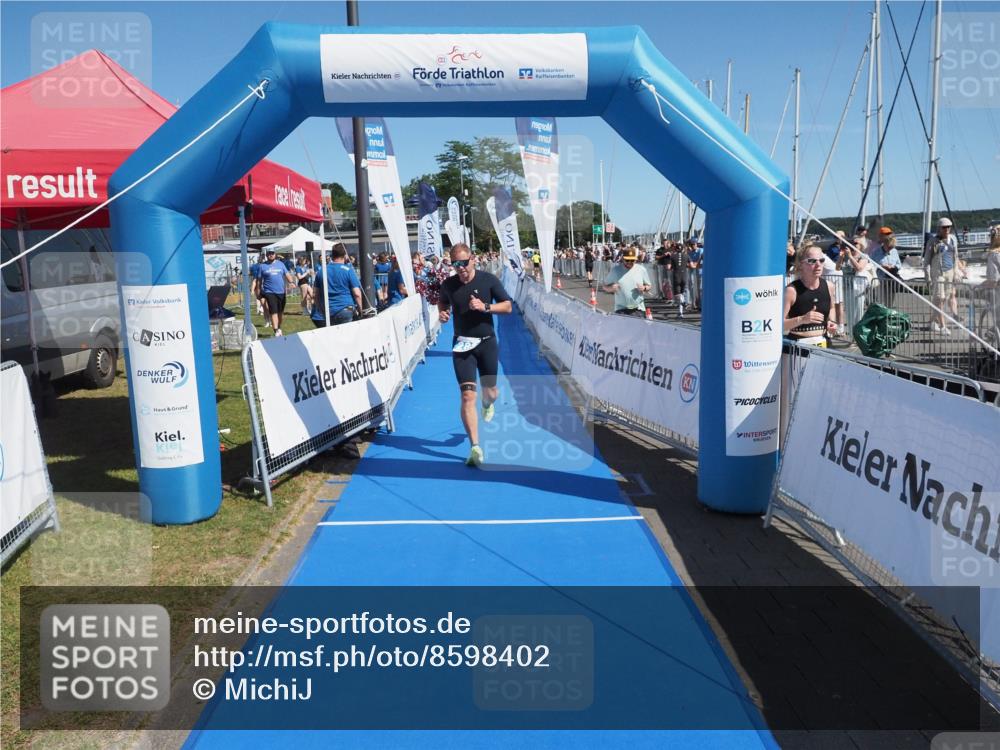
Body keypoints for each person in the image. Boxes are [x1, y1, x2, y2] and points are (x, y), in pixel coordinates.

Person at [437, 244, 513, 467]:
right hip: (462, 345)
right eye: (455, 264)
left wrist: (486, 307)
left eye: (464, 262)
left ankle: (488, 404)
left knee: (491, 392)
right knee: (468, 396)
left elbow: (508, 306)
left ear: (473, 259)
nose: (460, 268)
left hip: (487, 343)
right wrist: (442, 312)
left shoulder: (488, 280)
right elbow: (442, 300)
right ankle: (475, 447)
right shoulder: (448, 284)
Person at [783, 244, 839, 347]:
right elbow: (779, 325)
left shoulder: (829, 286)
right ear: (800, 265)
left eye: (821, 260)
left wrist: (832, 321)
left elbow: (831, 307)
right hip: (799, 347)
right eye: (812, 261)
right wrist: (802, 319)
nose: (818, 265)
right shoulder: (791, 290)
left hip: (824, 343)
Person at [311, 243, 362, 327]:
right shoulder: (348, 271)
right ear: (345, 255)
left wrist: (322, 311)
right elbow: (357, 294)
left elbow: (315, 294)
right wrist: (361, 311)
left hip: (329, 312)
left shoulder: (321, 271)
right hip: (346, 309)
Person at [923, 217, 959, 334]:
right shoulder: (933, 241)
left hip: (949, 272)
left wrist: (956, 272)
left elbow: (956, 257)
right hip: (938, 273)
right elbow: (927, 260)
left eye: (949, 227)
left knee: (943, 300)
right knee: (940, 298)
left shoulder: (953, 240)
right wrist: (927, 276)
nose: (947, 229)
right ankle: (943, 326)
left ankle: (931, 322)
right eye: (944, 227)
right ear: (939, 228)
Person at [602, 247, 652, 316]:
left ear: (635, 260)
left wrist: (644, 288)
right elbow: (604, 286)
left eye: (632, 260)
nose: (629, 262)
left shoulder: (641, 270)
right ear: (623, 259)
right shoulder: (616, 270)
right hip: (621, 309)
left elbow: (649, 286)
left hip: (638, 309)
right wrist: (610, 288)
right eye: (627, 260)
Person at [256, 248, 295, 336]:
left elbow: (287, 274)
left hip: (281, 292)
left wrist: (291, 282)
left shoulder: (281, 264)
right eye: (269, 253)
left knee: (280, 313)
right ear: (266, 255)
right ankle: (276, 330)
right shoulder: (262, 266)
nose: (271, 255)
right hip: (269, 292)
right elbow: (259, 280)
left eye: (272, 253)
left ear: (275, 254)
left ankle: (278, 327)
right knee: (273, 311)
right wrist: (258, 291)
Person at [868, 227, 902, 309]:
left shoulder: (894, 251)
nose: (890, 249)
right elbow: (871, 264)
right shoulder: (876, 252)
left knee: (890, 302)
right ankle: (882, 319)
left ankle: (888, 318)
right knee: (881, 302)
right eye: (888, 247)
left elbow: (899, 264)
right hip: (880, 280)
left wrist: (893, 267)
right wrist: (882, 266)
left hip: (891, 280)